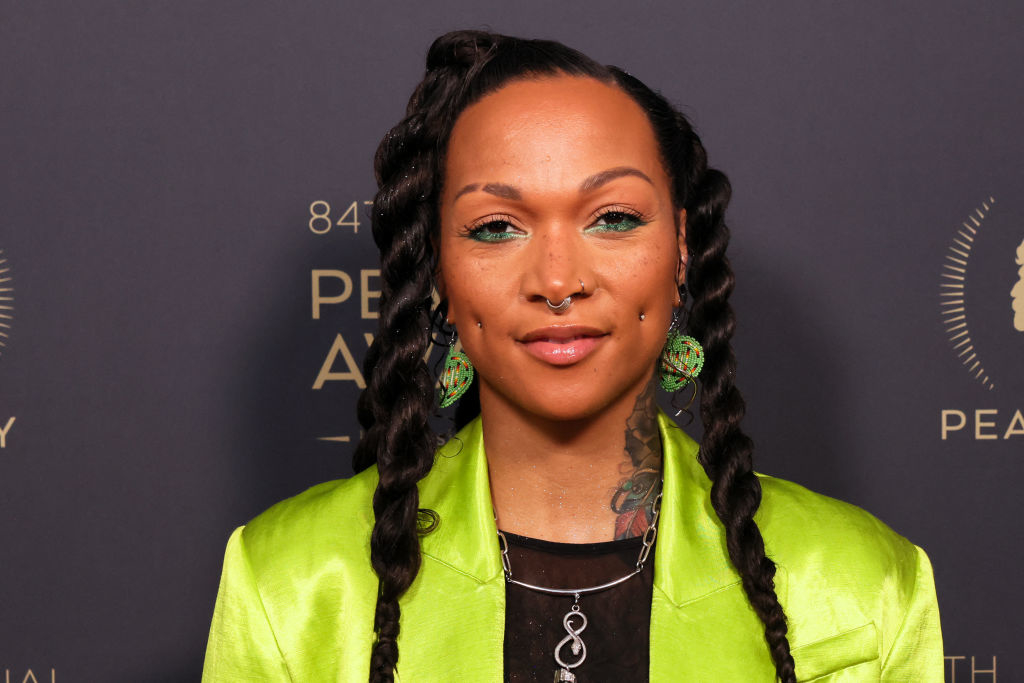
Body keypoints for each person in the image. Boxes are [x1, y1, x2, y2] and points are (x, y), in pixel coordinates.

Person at [202, 30, 943, 682]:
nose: (559, 281)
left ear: (682, 247)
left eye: (613, 218)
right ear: (437, 272)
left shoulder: (862, 588)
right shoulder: (292, 584)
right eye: (496, 226)